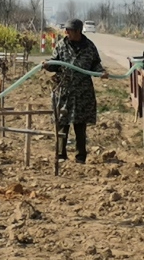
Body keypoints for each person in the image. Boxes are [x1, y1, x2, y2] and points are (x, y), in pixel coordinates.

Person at [43, 18, 109, 164]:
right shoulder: (61, 45)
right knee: (62, 124)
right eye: (66, 30)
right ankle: (60, 155)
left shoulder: (89, 47)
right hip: (64, 92)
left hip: (82, 92)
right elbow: (55, 63)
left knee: (80, 126)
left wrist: (101, 72)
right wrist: (48, 65)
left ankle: (80, 158)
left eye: (69, 30)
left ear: (78, 31)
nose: (66, 32)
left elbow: (95, 64)